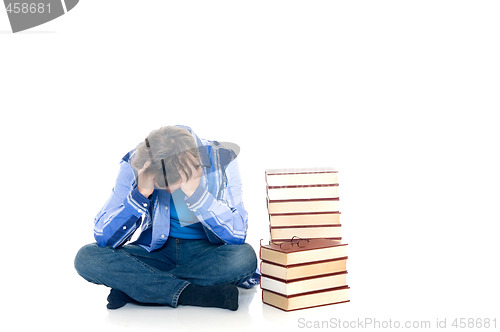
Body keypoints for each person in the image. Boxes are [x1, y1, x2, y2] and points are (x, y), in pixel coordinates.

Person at [74, 125, 259, 311]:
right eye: (160, 184)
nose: (169, 191)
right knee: (87, 257)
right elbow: (103, 235)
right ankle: (191, 293)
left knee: (243, 258)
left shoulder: (223, 158)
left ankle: (137, 288)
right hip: (156, 251)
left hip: (206, 254)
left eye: (172, 183)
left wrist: (197, 195)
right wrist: (141, 193)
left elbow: (237, 234)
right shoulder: (136, 162)